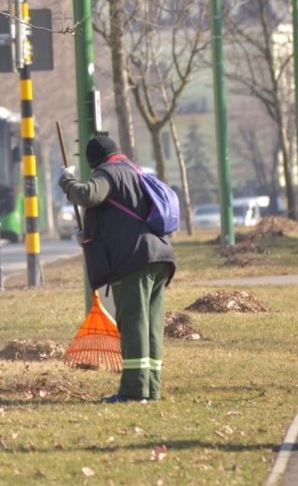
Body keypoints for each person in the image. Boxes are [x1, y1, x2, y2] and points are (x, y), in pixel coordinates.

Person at [58, 135, 176, 403]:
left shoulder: (109, 172)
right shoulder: (134, 170)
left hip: (133, 260)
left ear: (94, 162)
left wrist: (66, 181)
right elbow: (116, 216)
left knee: (134, 325)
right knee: (151, 327)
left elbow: (88, 195)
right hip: (159, 258)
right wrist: (87, 233)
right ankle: (151, 388)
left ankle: (134, 392)